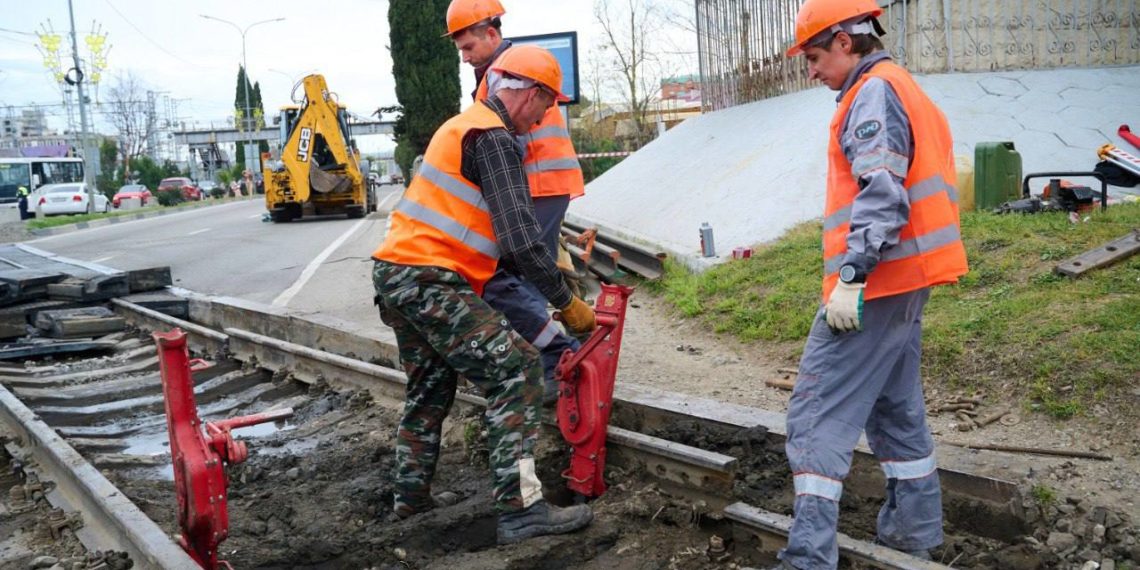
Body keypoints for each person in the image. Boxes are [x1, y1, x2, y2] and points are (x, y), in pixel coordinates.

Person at [371, 45, 596, 545]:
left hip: (398, 274)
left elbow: (496, 229)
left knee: (429, 390)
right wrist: (566, 303)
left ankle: (410, 500)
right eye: (547, 105)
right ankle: (522, 512)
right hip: (429, 278)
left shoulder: (465, 124)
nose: (544, 118)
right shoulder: (494, 139)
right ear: (530, 95)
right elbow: (519, 239)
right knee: (516, 370)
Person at [772, 0, 969, 568]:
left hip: (875, 283)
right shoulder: (901, 84)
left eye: (812, 57)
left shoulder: (873, 93)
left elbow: (881, 190)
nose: (810, 71)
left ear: (843, 41)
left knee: (814, 415)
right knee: (894, 407)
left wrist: (852, 277)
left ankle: (808, 558)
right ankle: (914, 534)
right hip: (906, 280)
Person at [445, 0, 586, 403]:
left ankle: (552, 364)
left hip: (537, 183)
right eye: (460, 50)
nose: (465, 56)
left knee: (520, 275)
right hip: (543, 182)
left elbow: (501, 142)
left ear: (492, 34)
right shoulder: (510, 69)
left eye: (469, 46)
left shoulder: (506, 75)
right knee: (522, 276)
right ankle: (547, 355)